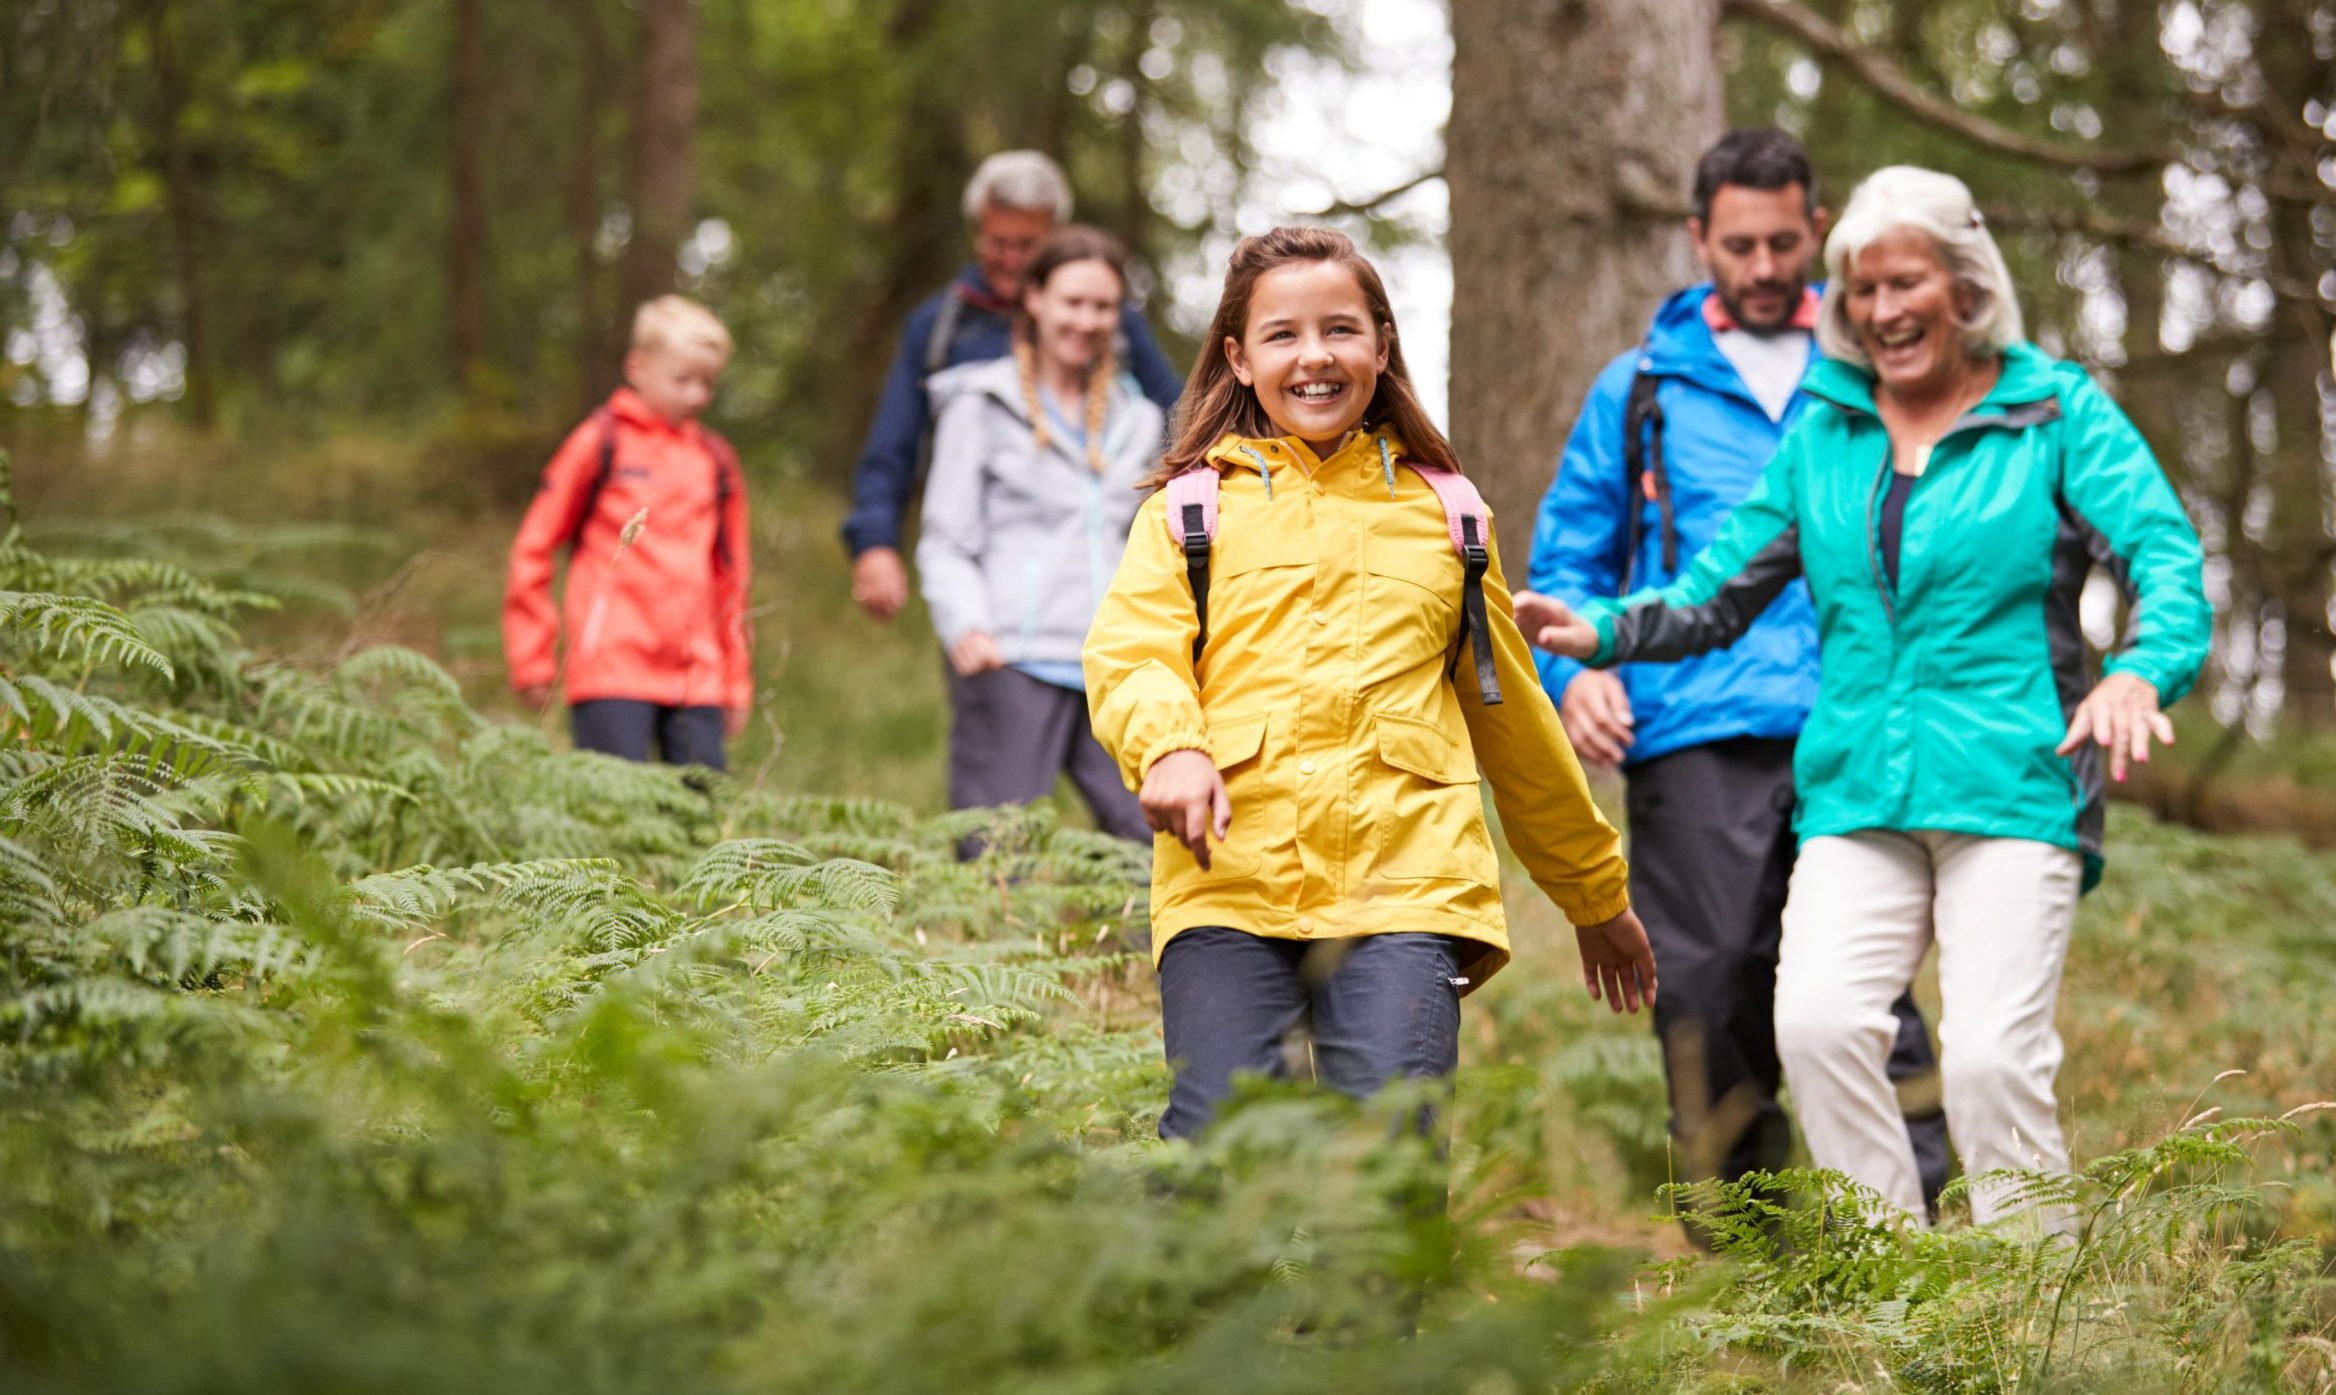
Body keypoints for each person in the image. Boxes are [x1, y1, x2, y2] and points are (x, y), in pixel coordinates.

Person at [1518, 166, 2210, 1225]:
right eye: (1862, 292)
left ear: (1965, 285)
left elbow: (2164, 559)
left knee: (1984, 1061)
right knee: (1819, 1028)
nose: (1882, 312)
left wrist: (2133, 670)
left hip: (2010, 784)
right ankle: (1895, 1288)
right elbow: (1714, 594)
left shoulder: (2053, 410)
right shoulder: (1825, 434)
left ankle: (2031, 1312)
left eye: (1904, 284)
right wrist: (1599, 631)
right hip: (1853, 792)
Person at [1083, 226, 1657, 1143]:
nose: (1314, 356)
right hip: (1227, 883)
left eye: (1341, 330)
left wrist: (1594, 895)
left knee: (1389, 1155)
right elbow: (1133, 652)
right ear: (1238, 358)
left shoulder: (1449, 517)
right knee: (1219, 1148)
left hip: (1406, 887)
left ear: (1382, 346)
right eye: (1282, 335)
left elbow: (1512, 721)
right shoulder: (1188, 513)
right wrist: (1173, 747)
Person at [1526, 130, 1948, 1216]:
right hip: (1689, 728)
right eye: (1736, 245)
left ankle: (1927, 1238)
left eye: (1780, 241)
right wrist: (1571, 681)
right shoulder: (1637, 390)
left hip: (1852, 725)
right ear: (1695, 240)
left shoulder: (1875, 370)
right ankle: (1755, 1260)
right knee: (1707, 992)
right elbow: (1563, 572)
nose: (1761, 267)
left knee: (1864, 993)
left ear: (1816, 229)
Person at [843, 150, 1182, 621]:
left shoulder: (1105, 320)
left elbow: (1180, 415)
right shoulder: (941, 327)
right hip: (976, 573)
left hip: (1090, 578)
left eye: (1028, 245)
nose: (1010, 259)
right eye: (997, 242)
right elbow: (891, 446)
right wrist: (875, 541)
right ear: (977, 231)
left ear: (1056, 235)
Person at [917, 227, 1156, 844]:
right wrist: (965, 624)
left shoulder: (1140, 419)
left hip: (1114, 661)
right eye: (1072, 302)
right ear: (1035, 300)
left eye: (1102, 306)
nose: (1087, 319)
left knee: (1153, 836)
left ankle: (1151, 946)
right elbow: (946, 536)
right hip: (1011, 655)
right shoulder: (980, 404)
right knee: (998, 848)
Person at [504, 295, 752, 770]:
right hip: (611, 668)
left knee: (702, 822)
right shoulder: (599, 442)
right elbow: (534, 546)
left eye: (708, 383)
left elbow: (732, 575)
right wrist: (532, 656)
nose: (697, 395)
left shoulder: (716, 462)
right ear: (636, 367)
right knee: (610, 821)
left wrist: (734, 681)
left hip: (696, 675)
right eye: (683, 379)